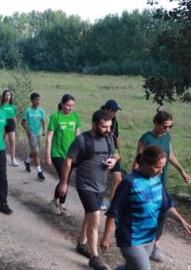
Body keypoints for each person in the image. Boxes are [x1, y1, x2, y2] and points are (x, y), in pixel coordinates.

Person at [100, 145, 191, 270]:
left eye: (162, 167)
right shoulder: (129, 183)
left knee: (130, 268)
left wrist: (182, 222)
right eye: (157, 167)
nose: (161, 171)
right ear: (144, 163)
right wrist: (106, 237)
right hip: (131, 239)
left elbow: (166, 206)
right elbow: (113, 212)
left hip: (150, 237)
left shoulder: (156, 180)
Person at [59, 110, 117, 270]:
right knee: (95, 218)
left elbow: (115, 155)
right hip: (85, 185)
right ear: (94, 125)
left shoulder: (109, 139)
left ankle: (81, 244)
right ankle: (94, 257)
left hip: (100, 186)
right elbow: (69, 160)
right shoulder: (82, 140)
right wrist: (64, 182)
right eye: (104, 127)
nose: (108, 130)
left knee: (89, 215)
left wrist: (113, 161)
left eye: (109, 126)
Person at [133, 110, 191, 262]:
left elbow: (170, 155)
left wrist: (182, 171)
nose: (167, 129)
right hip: (147, 182)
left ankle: (154, 245)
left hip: (161, 182)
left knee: (162, 213)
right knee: (148, 212)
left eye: (170, 127)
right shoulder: (146, 139)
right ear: (156, 123)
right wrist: (135, 180)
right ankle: (141, 243)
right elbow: (139, 160)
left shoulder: (167, 137)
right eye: (165, 126)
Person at [46, 94, 81, 216]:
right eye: (68, 105)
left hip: (70, 154)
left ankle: (55, 201)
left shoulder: (75, 116)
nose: (70, 108)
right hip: (57, 152)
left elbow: (78, 136)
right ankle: (62, 204)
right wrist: (48, 156)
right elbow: (49, 138)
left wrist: (79, 152)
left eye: (72, 106)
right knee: (64, 178)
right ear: (62, 104)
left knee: (65, 179)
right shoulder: (55, 117)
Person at [100, 99, 123, 211]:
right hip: (102, 151)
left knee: (118, 179)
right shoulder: (100, 119)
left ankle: (112, 203)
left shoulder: (115, 121)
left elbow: (116, 137)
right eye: (113, 111)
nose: (115, 113)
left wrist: (119, 153)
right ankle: (98, 201)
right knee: (100, 179)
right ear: (107, 110)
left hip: (114, 152)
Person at [22, 92, 46, 181]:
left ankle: (27, 161)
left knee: (35, 151)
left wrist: (44, 130)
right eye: (36, 100)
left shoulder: (41, 111)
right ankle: (39, 172)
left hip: (38, 133)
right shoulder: (28, 111)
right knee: (36, 152)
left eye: (39, 99)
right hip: (31, 133)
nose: (38, 101)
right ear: (32, 100)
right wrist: (29, 131)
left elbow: (43, 120)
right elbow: (23, 123)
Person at [0, 90, 19, 166]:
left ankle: (13, 159)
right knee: (1, 141)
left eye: (9, 95)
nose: (8, 96)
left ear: (11, 96)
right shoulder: (0, 105)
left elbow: (14, 116)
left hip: (11, 123)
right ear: (3, 96)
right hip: (3, 123)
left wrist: (16, 126)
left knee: (12, 141)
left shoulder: (13, 106)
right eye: (6, 95)